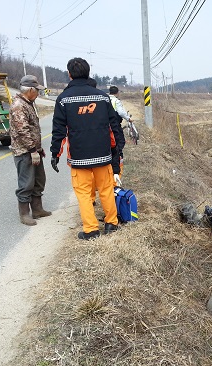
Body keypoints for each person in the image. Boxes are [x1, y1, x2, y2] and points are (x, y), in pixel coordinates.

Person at [50, 57, 125, 240]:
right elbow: (113, 128)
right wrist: (115, 151)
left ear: (69, 74)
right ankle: (111, 224)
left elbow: (59, 130)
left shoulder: (63, 99)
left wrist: (55, 154)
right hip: (103, 154)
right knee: (106, 189)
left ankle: (91, 230)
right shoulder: (102, 97)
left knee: (84, 193)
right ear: (88, 72)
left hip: (79, 156)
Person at [9, 74, 51, 226]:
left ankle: (37, 209)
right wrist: (33, 150)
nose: (38, 93)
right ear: (30, 90)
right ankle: (24, 214)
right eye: (37, 90)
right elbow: (22, 130)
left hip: (34, 150)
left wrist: (39, 149)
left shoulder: (28, 103)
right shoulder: (19, 105)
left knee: (39, 180)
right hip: (24, 151)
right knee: (26, 183)